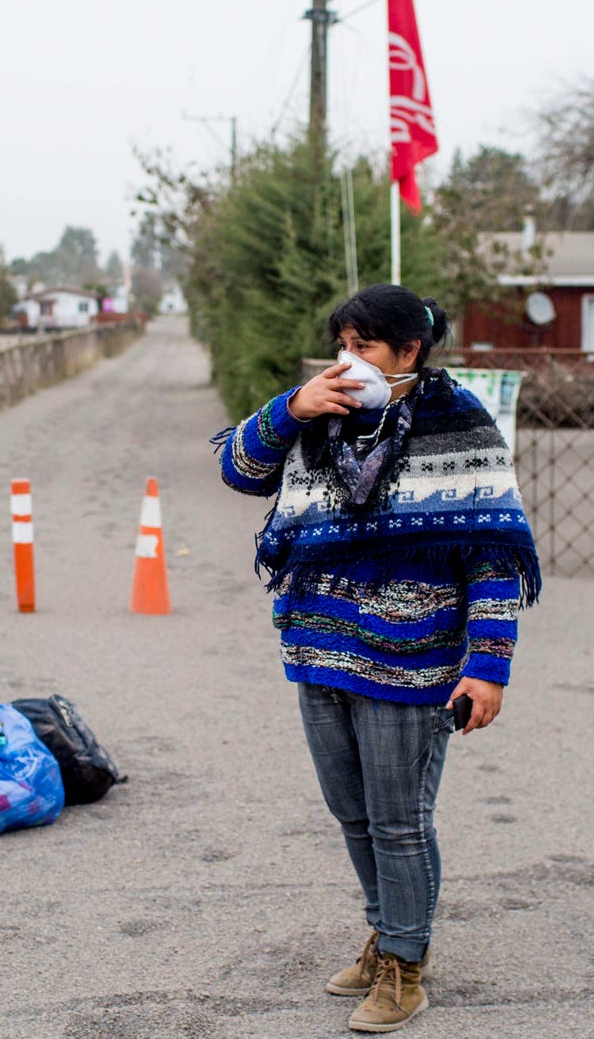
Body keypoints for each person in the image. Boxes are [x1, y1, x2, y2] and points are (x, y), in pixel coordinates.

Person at [213, 283, 540, 1033]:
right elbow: (239, 469)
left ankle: (405, 966)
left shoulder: (459, 423)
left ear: (409, 351)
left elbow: (493, 554)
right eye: (342, 344)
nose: (346, 359)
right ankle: (388, 934)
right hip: (319, 648)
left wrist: (488, 666)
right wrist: (291, 408)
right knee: (353, 815)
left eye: (363, 346)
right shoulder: (318, 417)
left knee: (399, 822)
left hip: (412, 662)